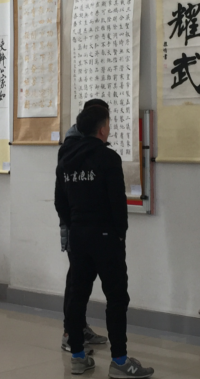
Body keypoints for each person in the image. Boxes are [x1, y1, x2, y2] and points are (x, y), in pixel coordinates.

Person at [55, 105, 154, 378]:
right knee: (117, 298)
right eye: (108, 124)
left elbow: (60, 202)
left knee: (77, 296)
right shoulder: (108, 158)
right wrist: (120, 234)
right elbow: (117, 203)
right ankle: (119, 361)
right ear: (102, 129)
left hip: (78, 237)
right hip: (106, 238)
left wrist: (74, 225)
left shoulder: (65, 157)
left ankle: (78, 357)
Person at [60, 99, 110, 352]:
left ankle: (79, 327)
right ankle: (70, 334)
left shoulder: (81, 140)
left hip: (84, 224)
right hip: (76, 225)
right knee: (77, 281)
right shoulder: (73, 144)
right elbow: (63, 192)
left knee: (81, 280)